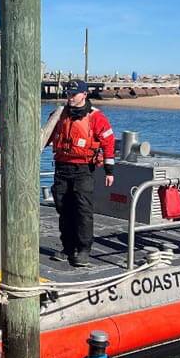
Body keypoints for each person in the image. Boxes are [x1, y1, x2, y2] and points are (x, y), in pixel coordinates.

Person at [48, 80, 116, 268]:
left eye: (74, 94)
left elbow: (108, 142)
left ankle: (83, 249)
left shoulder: (96, 117)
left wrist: (109, 171)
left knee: (82, 210)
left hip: (83, 170)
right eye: (68, 93)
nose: (70, 97)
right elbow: (46, 136)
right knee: (63, 208)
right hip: (62, 167)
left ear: (84, 95)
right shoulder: (59, 115)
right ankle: (67, 247)